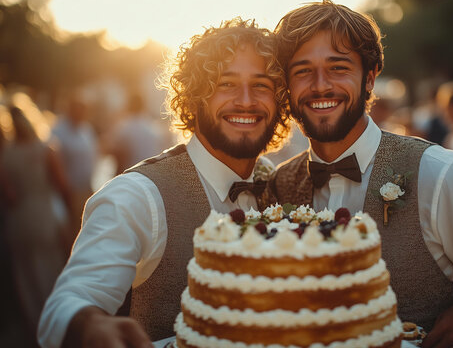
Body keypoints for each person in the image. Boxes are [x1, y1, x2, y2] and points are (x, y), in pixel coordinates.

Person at [268, 0, 453, 348]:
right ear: (286, 86)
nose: (321, 85)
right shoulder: (277, 185)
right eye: (303, 70)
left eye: (338, 68)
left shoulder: (442, 175)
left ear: (369, 78)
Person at [38, 18, 289, 348]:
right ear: (195, 98)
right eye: (225, 84)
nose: (245, 100)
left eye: (261, 85)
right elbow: (67, 302)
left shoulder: (277, 182)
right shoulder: (138, 195)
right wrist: (89, 325)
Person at [2, 105, 72, 346]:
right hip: (44, 215)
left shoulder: (6, 155)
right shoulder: (46, 149)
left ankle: (37, 329)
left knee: (26, 276)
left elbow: (9, 195)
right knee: (52, 271)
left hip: (19, 220)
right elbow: (62, 185)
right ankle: (59, 326)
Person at [50, 97, 98, 247]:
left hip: (86, 188)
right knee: (71, 233)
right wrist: (64, 190)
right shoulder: (58, 131)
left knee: (85, 229)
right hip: (68, 191)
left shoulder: (87, 129)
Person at [103, 93, 172, 175]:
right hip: (152, 175)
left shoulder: (124, 126)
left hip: (131, 175)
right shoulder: (152, 126)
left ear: (128, 105)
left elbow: (108, 149)